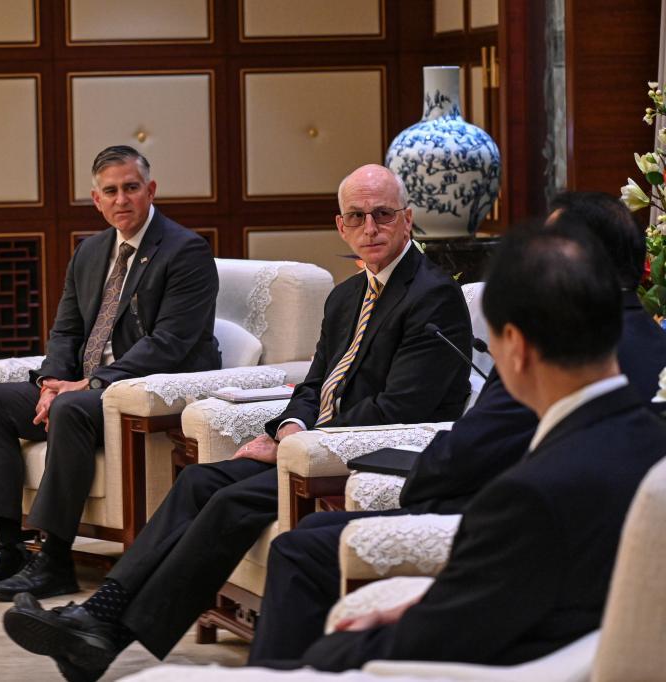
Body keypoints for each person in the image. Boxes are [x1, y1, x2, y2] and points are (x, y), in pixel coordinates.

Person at [1, 164, 473, 681]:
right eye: (357, 217)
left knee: (228, 500)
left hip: (371, 457)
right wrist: (287, 428)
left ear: (407, 220)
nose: (371, 228)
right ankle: (100, 617)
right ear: (340, 227)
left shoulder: (432, 295)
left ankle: (103, 633)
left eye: (383, 215)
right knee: (198, 480)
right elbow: (314, 384)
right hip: (312, 446)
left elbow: (401, 409)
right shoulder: (346, 296)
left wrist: (301, 444)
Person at [247, 191, 666, 663]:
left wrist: (332, 652)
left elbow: (445, 634)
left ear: (519, 348)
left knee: (303, 576)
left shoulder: (529, 496)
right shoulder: (650, 437)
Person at [0, 145, 221, 600]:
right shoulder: (90, 252)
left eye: (131, 188)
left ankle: (56, 559)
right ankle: (7, 545)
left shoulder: (186, 251)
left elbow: (170, 344)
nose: (122, 200)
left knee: (73, 409)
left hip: (140, 388)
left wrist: (89, 383)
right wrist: (47, 383)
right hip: (79, 387)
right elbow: (65, 331)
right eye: (111, 191)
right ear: (96, 199)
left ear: (151, 190)